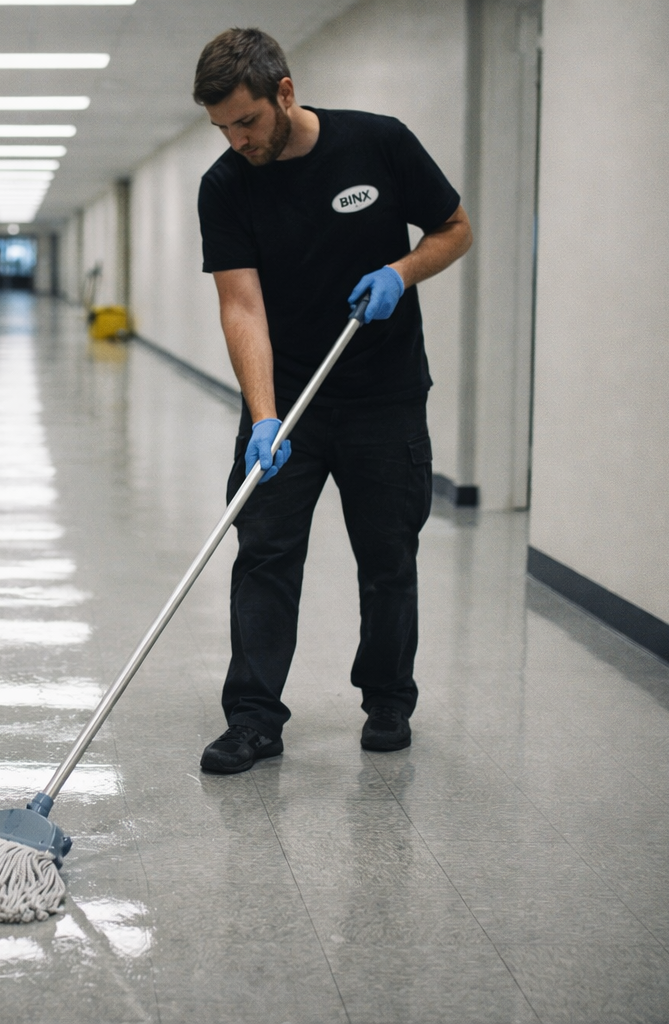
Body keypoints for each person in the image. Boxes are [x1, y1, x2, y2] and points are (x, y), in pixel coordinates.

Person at [192, 27, 473, 773]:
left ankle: (387, 699)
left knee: (388, 557)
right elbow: (241, 306)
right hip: (288, 405)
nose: (236, 139)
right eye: (221, 127)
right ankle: (253, 718)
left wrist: (402, 273)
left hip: (384, 398)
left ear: (285, 92)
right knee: (264, 556)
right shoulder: (224, 186)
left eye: (246, 120)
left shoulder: (378, 144)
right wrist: (263, 415)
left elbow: (455, 230)